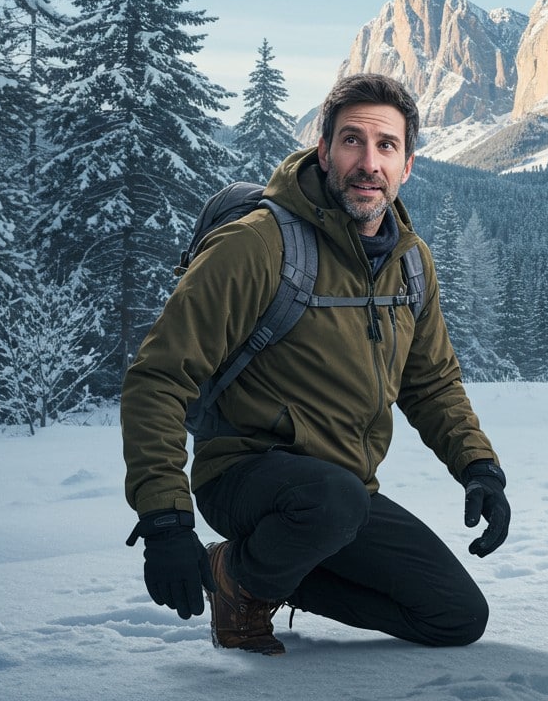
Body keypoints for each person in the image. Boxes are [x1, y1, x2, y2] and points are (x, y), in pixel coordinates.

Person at [121, 73, 510, 655]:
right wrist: (164, 517)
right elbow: (158, 378)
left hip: (342, 494)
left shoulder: (409, 262)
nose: (368, 162)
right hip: (246, 475)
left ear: (408, 165)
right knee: (331, 500)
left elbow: (429, 383)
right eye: (352, 141)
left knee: (455, 616)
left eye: (387, 146)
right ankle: (247, 588)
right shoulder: (258, 245)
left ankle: (236, 572)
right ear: (323, 150)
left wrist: (479, 467)